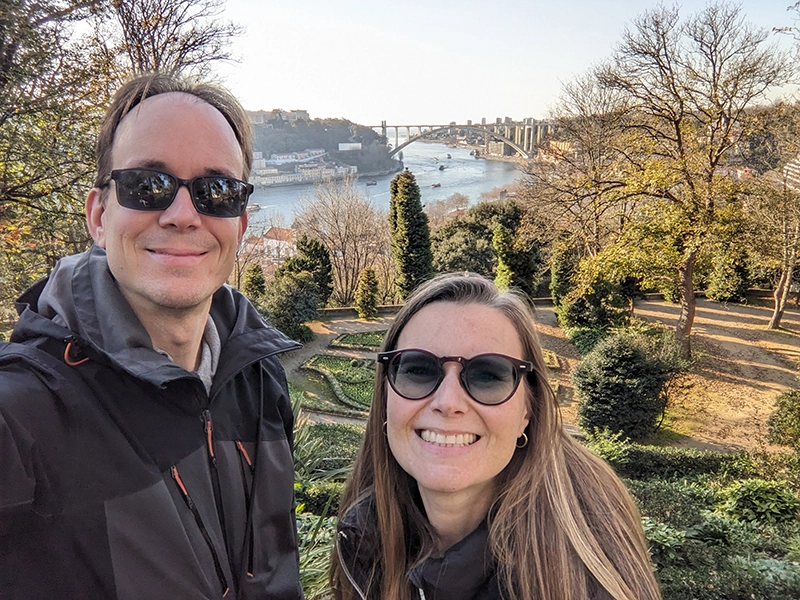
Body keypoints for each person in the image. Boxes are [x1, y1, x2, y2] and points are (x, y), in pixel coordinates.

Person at [0, 74, 304, 599]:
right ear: (98, 214)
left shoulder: (258, 382)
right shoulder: (25, 416)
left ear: (242, 225)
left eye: (218, 191)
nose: (184, 215)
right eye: (148, 184)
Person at [330, 273, 661, 600]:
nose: (448, 403)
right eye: (417, 369)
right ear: (386, 397)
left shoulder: (585, 576)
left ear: (526, 413)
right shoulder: (364, 541)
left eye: (488, 376)